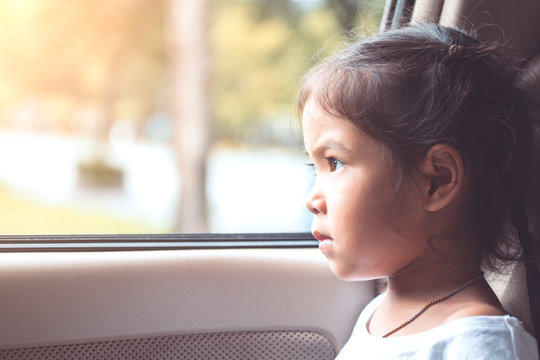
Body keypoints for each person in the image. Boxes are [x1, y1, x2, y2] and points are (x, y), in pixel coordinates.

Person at [299, 23, 539, 359]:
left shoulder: (481, 345)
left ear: (436, 181)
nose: (311, 200)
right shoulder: (378, 313)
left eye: (336, 163)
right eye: (315, 168)